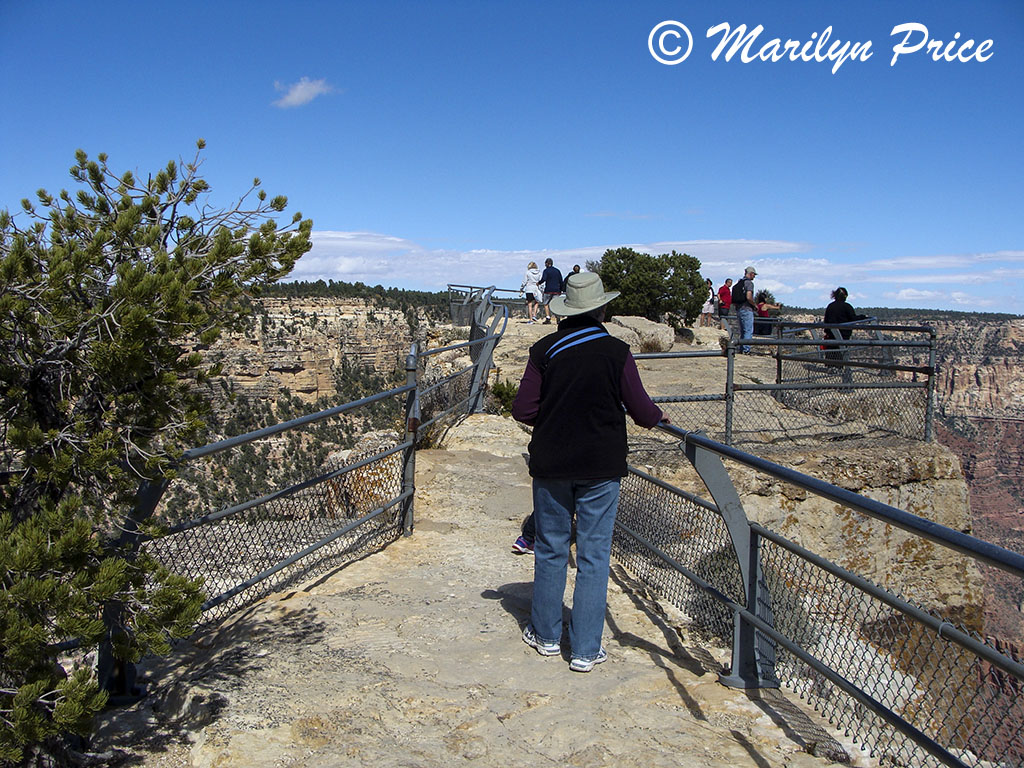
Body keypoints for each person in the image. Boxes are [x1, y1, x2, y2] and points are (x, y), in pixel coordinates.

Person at [511, 272, 668, 672]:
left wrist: (558, 416)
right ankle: (584, 649)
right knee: (594, 556)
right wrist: (657, 418)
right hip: (601, 466)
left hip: (553, 464)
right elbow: (641, 409)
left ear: (565, 311)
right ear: (600, 308)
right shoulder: (616, 351)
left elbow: (524, 410)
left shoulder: (544, 349)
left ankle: (545, 635)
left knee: (550, 548)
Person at [734, 266, 757, 353]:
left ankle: (742, 348)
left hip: (739, 309)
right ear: (751, 274)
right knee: (748, 330)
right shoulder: (749, 283)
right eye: (754, 275)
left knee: (743, 331)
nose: (754, 277)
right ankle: (746, 350)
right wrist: (754, 305)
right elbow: (749, 296)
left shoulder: (740, 283)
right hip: (747, 309)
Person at [539, 258, 564, 324]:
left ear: (547, 263)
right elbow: (561, 281)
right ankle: (558, 318)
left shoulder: (546, 271)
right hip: (556, 290)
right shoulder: (557, 271)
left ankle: (548, 317)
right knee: (555, 304)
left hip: (548, 290)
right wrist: (561, 289)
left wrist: (539, 283)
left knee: (546, 303)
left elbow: (544, 279)